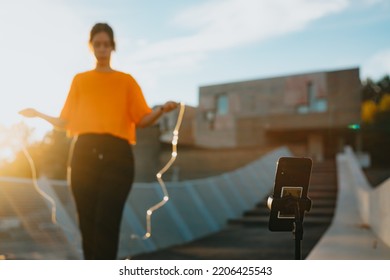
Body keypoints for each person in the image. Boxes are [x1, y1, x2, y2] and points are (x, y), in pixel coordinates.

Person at [19, 23, 178, 260]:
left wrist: (160, 111)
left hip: (117, 157)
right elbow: (65, 121)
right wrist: (39, 114)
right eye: (97, 44)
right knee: (88, 223)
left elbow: (142, 119)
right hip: (83, 156)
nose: (102, 49)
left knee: (107, 222)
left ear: (112, 47)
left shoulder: (126, 81)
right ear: (91, 47)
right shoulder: (80, 80)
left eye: (106, 44)